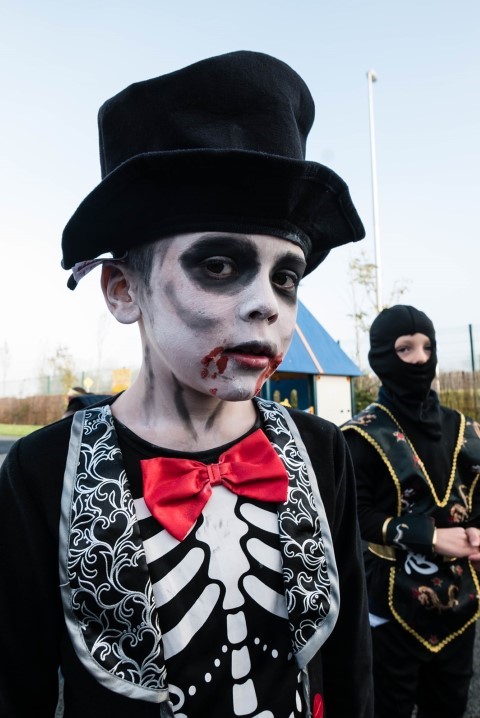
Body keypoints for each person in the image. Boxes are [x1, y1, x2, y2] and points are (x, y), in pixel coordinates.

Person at [0, 51, 373, 718]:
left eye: (285, 277)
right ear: (123, 290)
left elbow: (349, 670)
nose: (266, 304)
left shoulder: (322, 452)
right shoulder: (43, 470)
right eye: (220, 265)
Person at [342, 304, 480, 718]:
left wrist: (476, 532)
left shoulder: (465, 429)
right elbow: (355, 515)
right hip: (391, 603)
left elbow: (475, 499)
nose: (420, 359)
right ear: (382, 357)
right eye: (405, 349)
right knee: (390, 707)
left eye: (427, 347)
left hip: (459, 602)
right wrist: (431, 536)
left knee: (450, 705)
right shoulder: (361, 435)